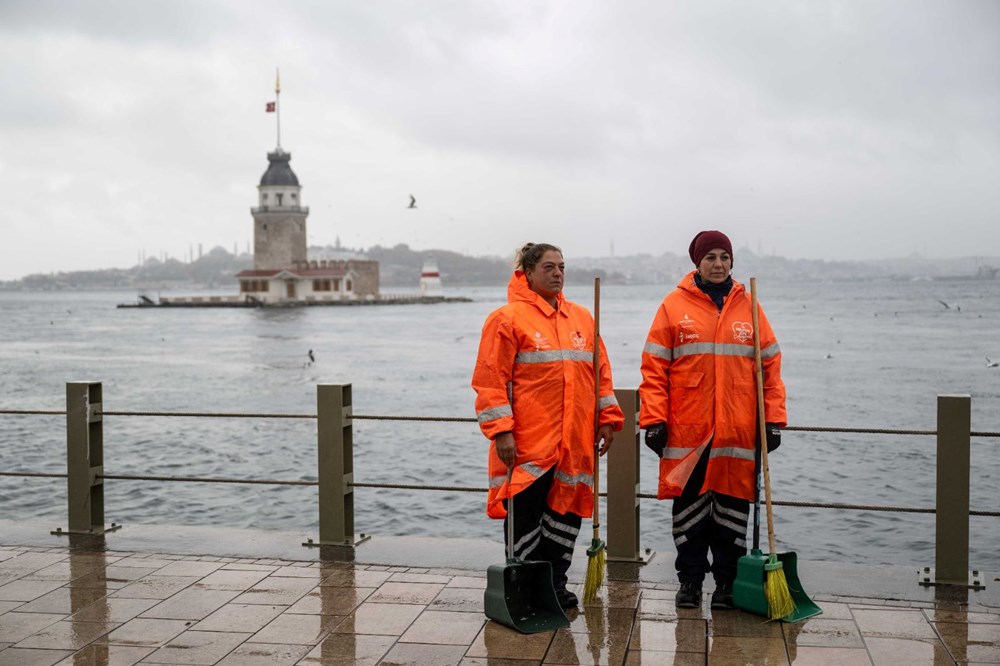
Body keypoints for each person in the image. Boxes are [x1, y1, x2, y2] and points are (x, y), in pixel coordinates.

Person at [639, 230, 786, 610]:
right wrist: (653, 418)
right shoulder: (673, 306)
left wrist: (773, 420)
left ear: (732, 261)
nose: (718, 264)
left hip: (737, 434)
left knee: (732, 513)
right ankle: (689, 582)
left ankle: (727, 584)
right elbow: (654, 368)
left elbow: (770, 369)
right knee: (689, 513)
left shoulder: (750, 308)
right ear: (697, 263)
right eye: (711, 258)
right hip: (688, 433)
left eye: (724, 257)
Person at [472, 242, 625, 609]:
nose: (557, 273)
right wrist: (502, 432)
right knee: (525, 518)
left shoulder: (583, 319)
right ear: (527, 273)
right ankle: (524, 585)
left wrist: (608, 418)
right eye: (548, 267)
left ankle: (555, 583)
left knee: (566, 515)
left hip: (574, 441)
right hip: (528, 444)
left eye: (561, 267)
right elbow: (490, 381)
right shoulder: (506, 319)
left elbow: (600, 374)